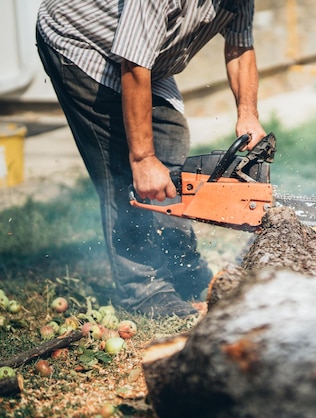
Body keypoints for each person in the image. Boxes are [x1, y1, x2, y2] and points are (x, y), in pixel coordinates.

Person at [35, 0, 266, 317]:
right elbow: (133, 64)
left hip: (146, 58)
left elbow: (240, 47)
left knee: (170, 135)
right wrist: (142, 160)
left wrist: (248, 115)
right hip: (82, 42)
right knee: (122, 170)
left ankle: (180, 264)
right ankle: (144, 291)